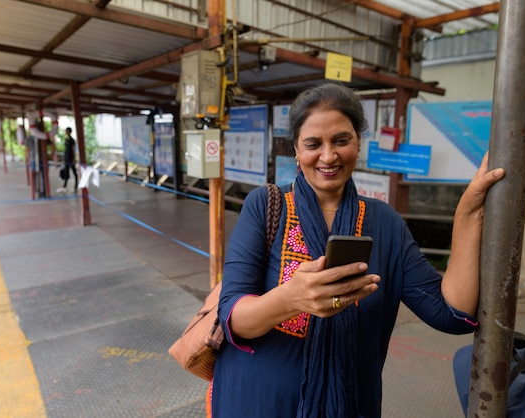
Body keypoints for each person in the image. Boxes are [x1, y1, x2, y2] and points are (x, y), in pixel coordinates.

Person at [211, 82, 509, 417]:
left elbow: (451, 314)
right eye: (313, 144)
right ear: (296, 149)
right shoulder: (265, 205)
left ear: (358, 143)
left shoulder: (384, 223)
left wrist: (468, 214)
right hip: (258, 403)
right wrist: (291, 298)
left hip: (350, 405)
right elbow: (234, 319)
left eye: (341, 141)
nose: (328, 156)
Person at [57, 127, 77, 192]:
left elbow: (73, 150)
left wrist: (74, 159)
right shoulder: (66, 140)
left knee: (74, 172)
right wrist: (64, 158)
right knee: (66, 172)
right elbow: (66, 150)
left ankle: (75, 187)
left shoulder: (72, 140)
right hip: (66, 159)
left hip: (71, 159)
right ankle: (64, 187)